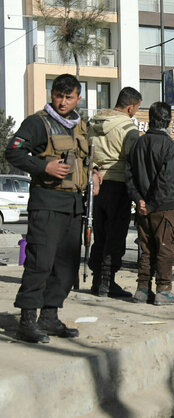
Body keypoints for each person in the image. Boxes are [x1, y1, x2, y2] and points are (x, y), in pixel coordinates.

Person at [5, 73, 99, 343]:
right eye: (59, 96)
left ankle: (49, 316)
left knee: (66, 266)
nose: (63, 102)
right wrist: (43, 166)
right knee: (40, 263)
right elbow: (13, 151)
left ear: (78, 98)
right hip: (46, 202)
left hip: (73, 205)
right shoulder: (38, 123)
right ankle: (27, 320)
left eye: (69, 97)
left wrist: (94, 172)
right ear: (52, 95)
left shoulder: (80, 126)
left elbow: (84, 157)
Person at [125, 102, 174, 305]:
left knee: (146, 249)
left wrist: (139, 200)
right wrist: (150, 204)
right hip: (164, 207)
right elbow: (165, 180)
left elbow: (129, 176)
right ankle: (163, 290)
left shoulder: (137, 144)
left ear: (150, 119)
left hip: (143, 207)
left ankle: (142, 289)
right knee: (166, 248)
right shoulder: (169, 145)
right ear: (168, 120)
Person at [86, 87, 142, 298]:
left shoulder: (93, 122)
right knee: (115, 236)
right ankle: (107, 283)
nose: (135, 112)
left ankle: (96, 280)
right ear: (130, 107)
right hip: (118, 184)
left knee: (99, 235)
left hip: (95, 183)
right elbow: (134, 159)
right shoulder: (128, 127)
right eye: (136, 108)